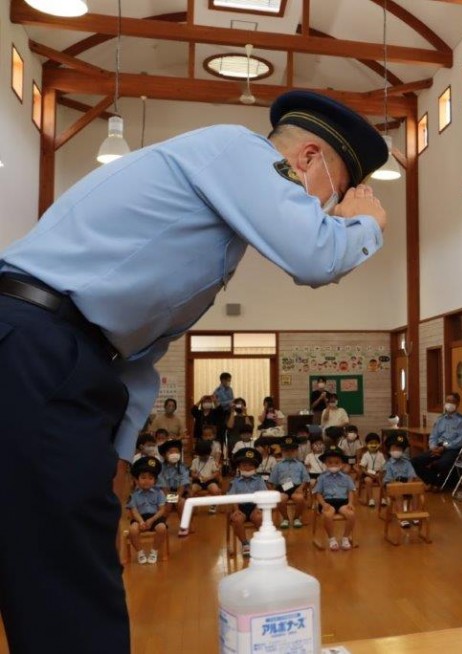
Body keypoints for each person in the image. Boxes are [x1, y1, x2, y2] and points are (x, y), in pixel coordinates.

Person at [0, 88, 387, 650]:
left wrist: (116, 450)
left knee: (42, 559)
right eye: (328, 199)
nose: (323, 213)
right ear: (306, 160)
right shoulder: (238, 150)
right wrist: (365, 223)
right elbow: (316, 255)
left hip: (53, 352)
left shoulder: (213, 216)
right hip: (36, 344)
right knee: (66, 577)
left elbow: (131, 349)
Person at [411, 393, 462, 489]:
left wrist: (444, 447)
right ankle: (436, 482)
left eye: (452, 401)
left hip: (452, 448)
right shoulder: (440, 419)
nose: (448, 404)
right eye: (447, 401)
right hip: (437, 447)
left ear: (457, 404)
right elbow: (433, 436)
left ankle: (437, 484)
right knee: (415, 462)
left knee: (442, 464)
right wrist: (433, 447)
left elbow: (460, 440)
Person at [312, 447, 357, 551]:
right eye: (330, 463)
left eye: (336, 462)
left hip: (343, 501)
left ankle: (345, 538)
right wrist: (323, 504)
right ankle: (332, 538)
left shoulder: (346, 477)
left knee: (351, 514)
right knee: (328, 514)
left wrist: (350, 503)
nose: (333, 465)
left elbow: (351, 491)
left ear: (342, 464)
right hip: (327, 502)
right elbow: (317, 493)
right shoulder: (322, 477)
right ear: (326, 464)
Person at [227, 447, 268, 558]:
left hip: (255, 506)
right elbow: (232, 497)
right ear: (239, 467)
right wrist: (236, 510)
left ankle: (261, 542)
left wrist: (258, 508)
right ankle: (245, 544)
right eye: (244, 465)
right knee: (237, 519)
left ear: (255, 467)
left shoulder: (259, 480)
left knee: (259, 518)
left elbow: (263, 495)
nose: (247, 467)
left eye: (251, 465)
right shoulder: (235, 481)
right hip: (240, 507)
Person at [126, 457, 168, 566]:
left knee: (162, 528)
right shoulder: (133, 495)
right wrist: (141, 522)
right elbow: (134, 511)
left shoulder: (159, 493)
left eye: (150, 478)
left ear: (155, 480)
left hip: (155, 517)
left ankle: (154, 551)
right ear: (136, 480)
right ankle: (140, 552)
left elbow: (162, 510)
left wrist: (152, 520)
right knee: (132, 529)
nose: (147, 481)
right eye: (143, 477)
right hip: (139, 518)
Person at [268, 435, 311, 529]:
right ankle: (285, 518)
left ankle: (296, 518)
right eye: (286, 450)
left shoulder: (300, 465)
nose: (289, 453)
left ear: (296, 451)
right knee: (280, 499)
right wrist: (273, 491)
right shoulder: (278, 465)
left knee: (299, 499)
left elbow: (306, 480)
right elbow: (272, 481)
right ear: (282, 451)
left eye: (292, 450)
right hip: (282, 487)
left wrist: (300, 488)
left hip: (297, 487)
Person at [382, 434, 421, 527]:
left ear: (403, 451)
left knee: (415, 492)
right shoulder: (388, 464)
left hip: (406, 484)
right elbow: (387, 480)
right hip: (392, 485)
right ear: (389, 450)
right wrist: (396, 485)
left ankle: (415, 514)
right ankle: (402, 517)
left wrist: (409, 485)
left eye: (399, 449)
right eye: (394, 448)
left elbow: (411, 475)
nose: (397, 451)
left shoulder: (407, 462)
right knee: (398, 493)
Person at [157, 439, 191, 535]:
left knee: (182, 502)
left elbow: (183, 484)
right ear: (164, 454)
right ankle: (160, 524)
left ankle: (184, 526)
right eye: (171, 452)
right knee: (167, 504)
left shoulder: (183, 467)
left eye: (176, 452)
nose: (174, 454)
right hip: (164, 494)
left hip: (180, 493)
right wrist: (171, 498)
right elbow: (163, 487)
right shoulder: (161, 468)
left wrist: (178, 496)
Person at [189, 439, 222, 513]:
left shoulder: (212, 460)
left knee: (215, 490)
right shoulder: (195, 461)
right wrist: (196, 476)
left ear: (209, 453)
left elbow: (216, 473)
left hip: (209, 481)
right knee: (191, 490)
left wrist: (208, 478)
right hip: (198, 481)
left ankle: (213, 506)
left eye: (205, 455)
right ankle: (191, 506)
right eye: (201, 456)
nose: (204, 457)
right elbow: (192, 473)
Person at [357, 433, 386, 507]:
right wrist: (369, 474)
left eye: (376, 443)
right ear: (366, 444)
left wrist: (380, 473)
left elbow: (384, 466)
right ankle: (371, 499)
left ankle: (383, 498)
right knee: (367, 480)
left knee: (383, 480)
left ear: (379, 444)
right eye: (371, 443)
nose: (373, 445)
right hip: (368, 473)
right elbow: (363, 467)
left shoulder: (381, 455)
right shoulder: (365, 455)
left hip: (379, 473)